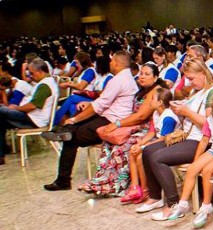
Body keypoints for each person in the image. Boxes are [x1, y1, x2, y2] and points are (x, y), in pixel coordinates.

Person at [136, 59, 213, 217]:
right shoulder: (196, 92)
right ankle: (155, 197)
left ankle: (174, 203)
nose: (189, 82)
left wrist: (186, 112)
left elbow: (211, 125)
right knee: (147, 150)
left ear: (202, 75)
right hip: (188, 136)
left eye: (192, 78)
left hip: (201, 141)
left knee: (157, 158)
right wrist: (179, 111)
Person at [43, 52, 138, 190]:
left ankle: (63, 180)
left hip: (110, 122)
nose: (110, 63)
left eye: (112, 61)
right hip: (111, 117)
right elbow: (103, 102)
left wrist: (73, 119)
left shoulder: (118, 80)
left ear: (117, 62)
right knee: (80, 110)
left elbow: (98, 107)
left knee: (71, 139)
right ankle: (64, 130)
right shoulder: (127, 78)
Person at [78, 62, 169, 195]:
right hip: (136, 126)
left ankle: (116, 185)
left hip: (149, 129)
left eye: (147, 74)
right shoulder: (142, 90)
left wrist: (118, 124)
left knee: (122, 146)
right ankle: (100, 181)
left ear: (155, 77)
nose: (142, 77)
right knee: (108, 143)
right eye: (141, 73)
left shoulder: (156, 91)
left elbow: (141, 115)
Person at [165, 89, 213, 226]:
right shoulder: (210, 120)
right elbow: (204, 141)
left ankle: (206, 207)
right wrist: (196, 160)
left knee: (207, 171)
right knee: (192, 169)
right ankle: (182, 204)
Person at [120, 87, 178, 204]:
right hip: (157, 141)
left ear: (160, 102)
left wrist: (144, 147)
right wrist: (140, 143)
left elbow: (164, 138)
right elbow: (152, 132)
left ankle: (146, 189)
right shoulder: (156, 113)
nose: (149, 101)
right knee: (133, 151)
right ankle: (135, 187)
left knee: (141, 157)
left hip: (168, 143)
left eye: (152, 99)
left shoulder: (168, 117)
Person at [0, 59, 58, 166]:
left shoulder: (44, 86)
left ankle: (2, 153)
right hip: (32, 116)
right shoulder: (46, 82)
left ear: (40, 71)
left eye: (31, 73)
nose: (30, 76)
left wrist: (15, 108)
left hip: (33, 119)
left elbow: (32, 106)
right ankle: (2, 151)